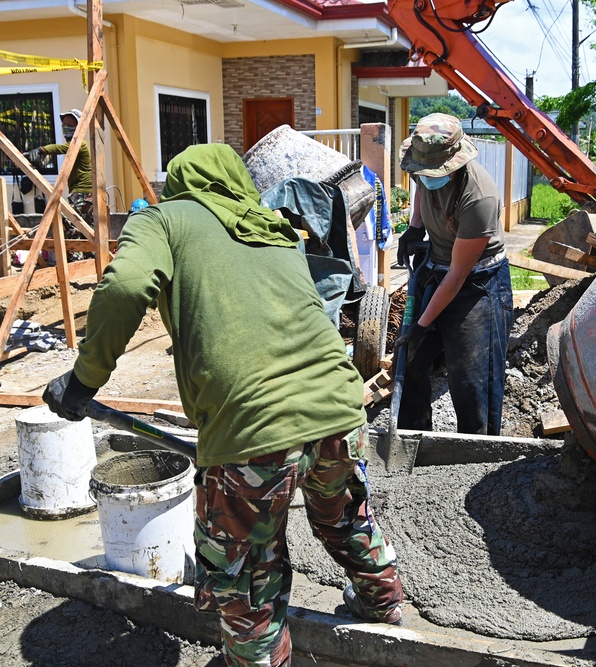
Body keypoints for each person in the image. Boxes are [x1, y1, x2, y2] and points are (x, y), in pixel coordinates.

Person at [42, 143, 403, 666]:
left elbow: (123, 287)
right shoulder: (272, 228)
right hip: (340, 409)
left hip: (252, 429)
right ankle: (385, 606)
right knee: (345, 515)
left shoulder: (164, 222)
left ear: (181, 183)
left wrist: (83, 381)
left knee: (251, 569)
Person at [394, 113, 513, 435]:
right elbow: (422, 186)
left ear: (454, 161)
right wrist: (414, 228)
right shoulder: (423, 166)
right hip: (436, 269)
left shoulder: (479, 197)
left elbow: (458, 277)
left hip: (477, 284)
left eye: (435, 171)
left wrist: (421, 325)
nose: (427, 176)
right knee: (410, 360)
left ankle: (477, 450)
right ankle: (412, 437)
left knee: (472, 378)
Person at [24, 108, 93, 219]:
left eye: (70, 124)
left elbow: (59, 148)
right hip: (77, 191)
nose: (66, 127)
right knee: (80, 224)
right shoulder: (74, 144)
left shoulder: (80, 144)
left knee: (64, 218)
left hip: (84, 192)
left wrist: (41, 150)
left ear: (79, 127)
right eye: (64, 124)